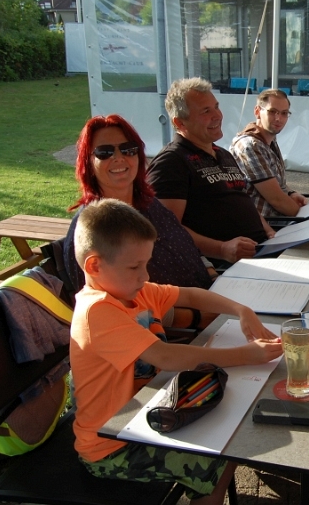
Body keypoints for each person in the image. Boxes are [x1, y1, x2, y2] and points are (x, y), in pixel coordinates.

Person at [70, 198, 282, 504]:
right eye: (135, 266)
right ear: (94, 266)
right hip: (111, 446)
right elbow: (166, 357)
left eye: (146, 264)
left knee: (231, 433)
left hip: (151, 412)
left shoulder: (135, 290)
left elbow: (191, 296)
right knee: (216, 459)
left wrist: (241, 309)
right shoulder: (97, 310)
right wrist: (246, 354)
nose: (145, 276)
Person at [64, 114, 216, 329]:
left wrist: (215, 278)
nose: (119, 158)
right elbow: (116, 311)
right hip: (178, 332)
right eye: (104, 152)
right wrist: (197, 319)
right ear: (87, 162)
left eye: (128, 149)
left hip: (209, 298)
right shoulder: (93, 228)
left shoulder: (149, 204)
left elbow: (187, 245)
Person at [147, 77, 276, 264]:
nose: (218, 115)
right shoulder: (171, 162)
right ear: (180, 123)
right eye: (206, 111)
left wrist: (267, 230)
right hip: (225, 267)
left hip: (263, 249)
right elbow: (167, 229)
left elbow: (241, 200)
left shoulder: (223, 154)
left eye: (216, 106)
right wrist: (222, 249)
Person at [228, 89, 308, 217]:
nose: (278, 118)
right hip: (260, 225)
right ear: (257, 111)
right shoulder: (250, 146)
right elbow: (277, 201)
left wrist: (290, 193)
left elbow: (276, 183)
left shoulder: (268, 140)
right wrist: (306, 215)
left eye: (284, 113)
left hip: (274, 221)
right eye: (272, 111)